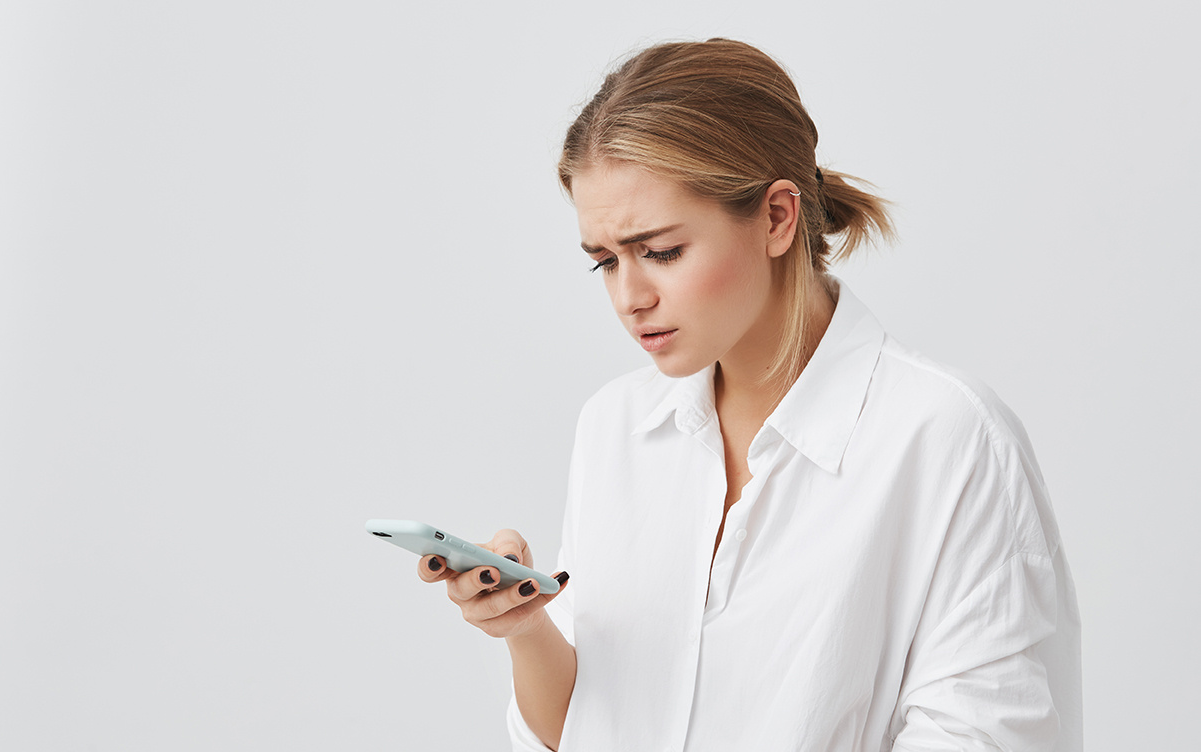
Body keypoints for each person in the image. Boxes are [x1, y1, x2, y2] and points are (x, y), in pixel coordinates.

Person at [417, 38, 1082, 752]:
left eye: (661, 251)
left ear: (775, 217)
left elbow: (991, 734)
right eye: (604, 263)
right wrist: (525, 629)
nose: (629, 297)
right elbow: (586, 729)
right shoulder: (615, 425)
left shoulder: (944, 435)